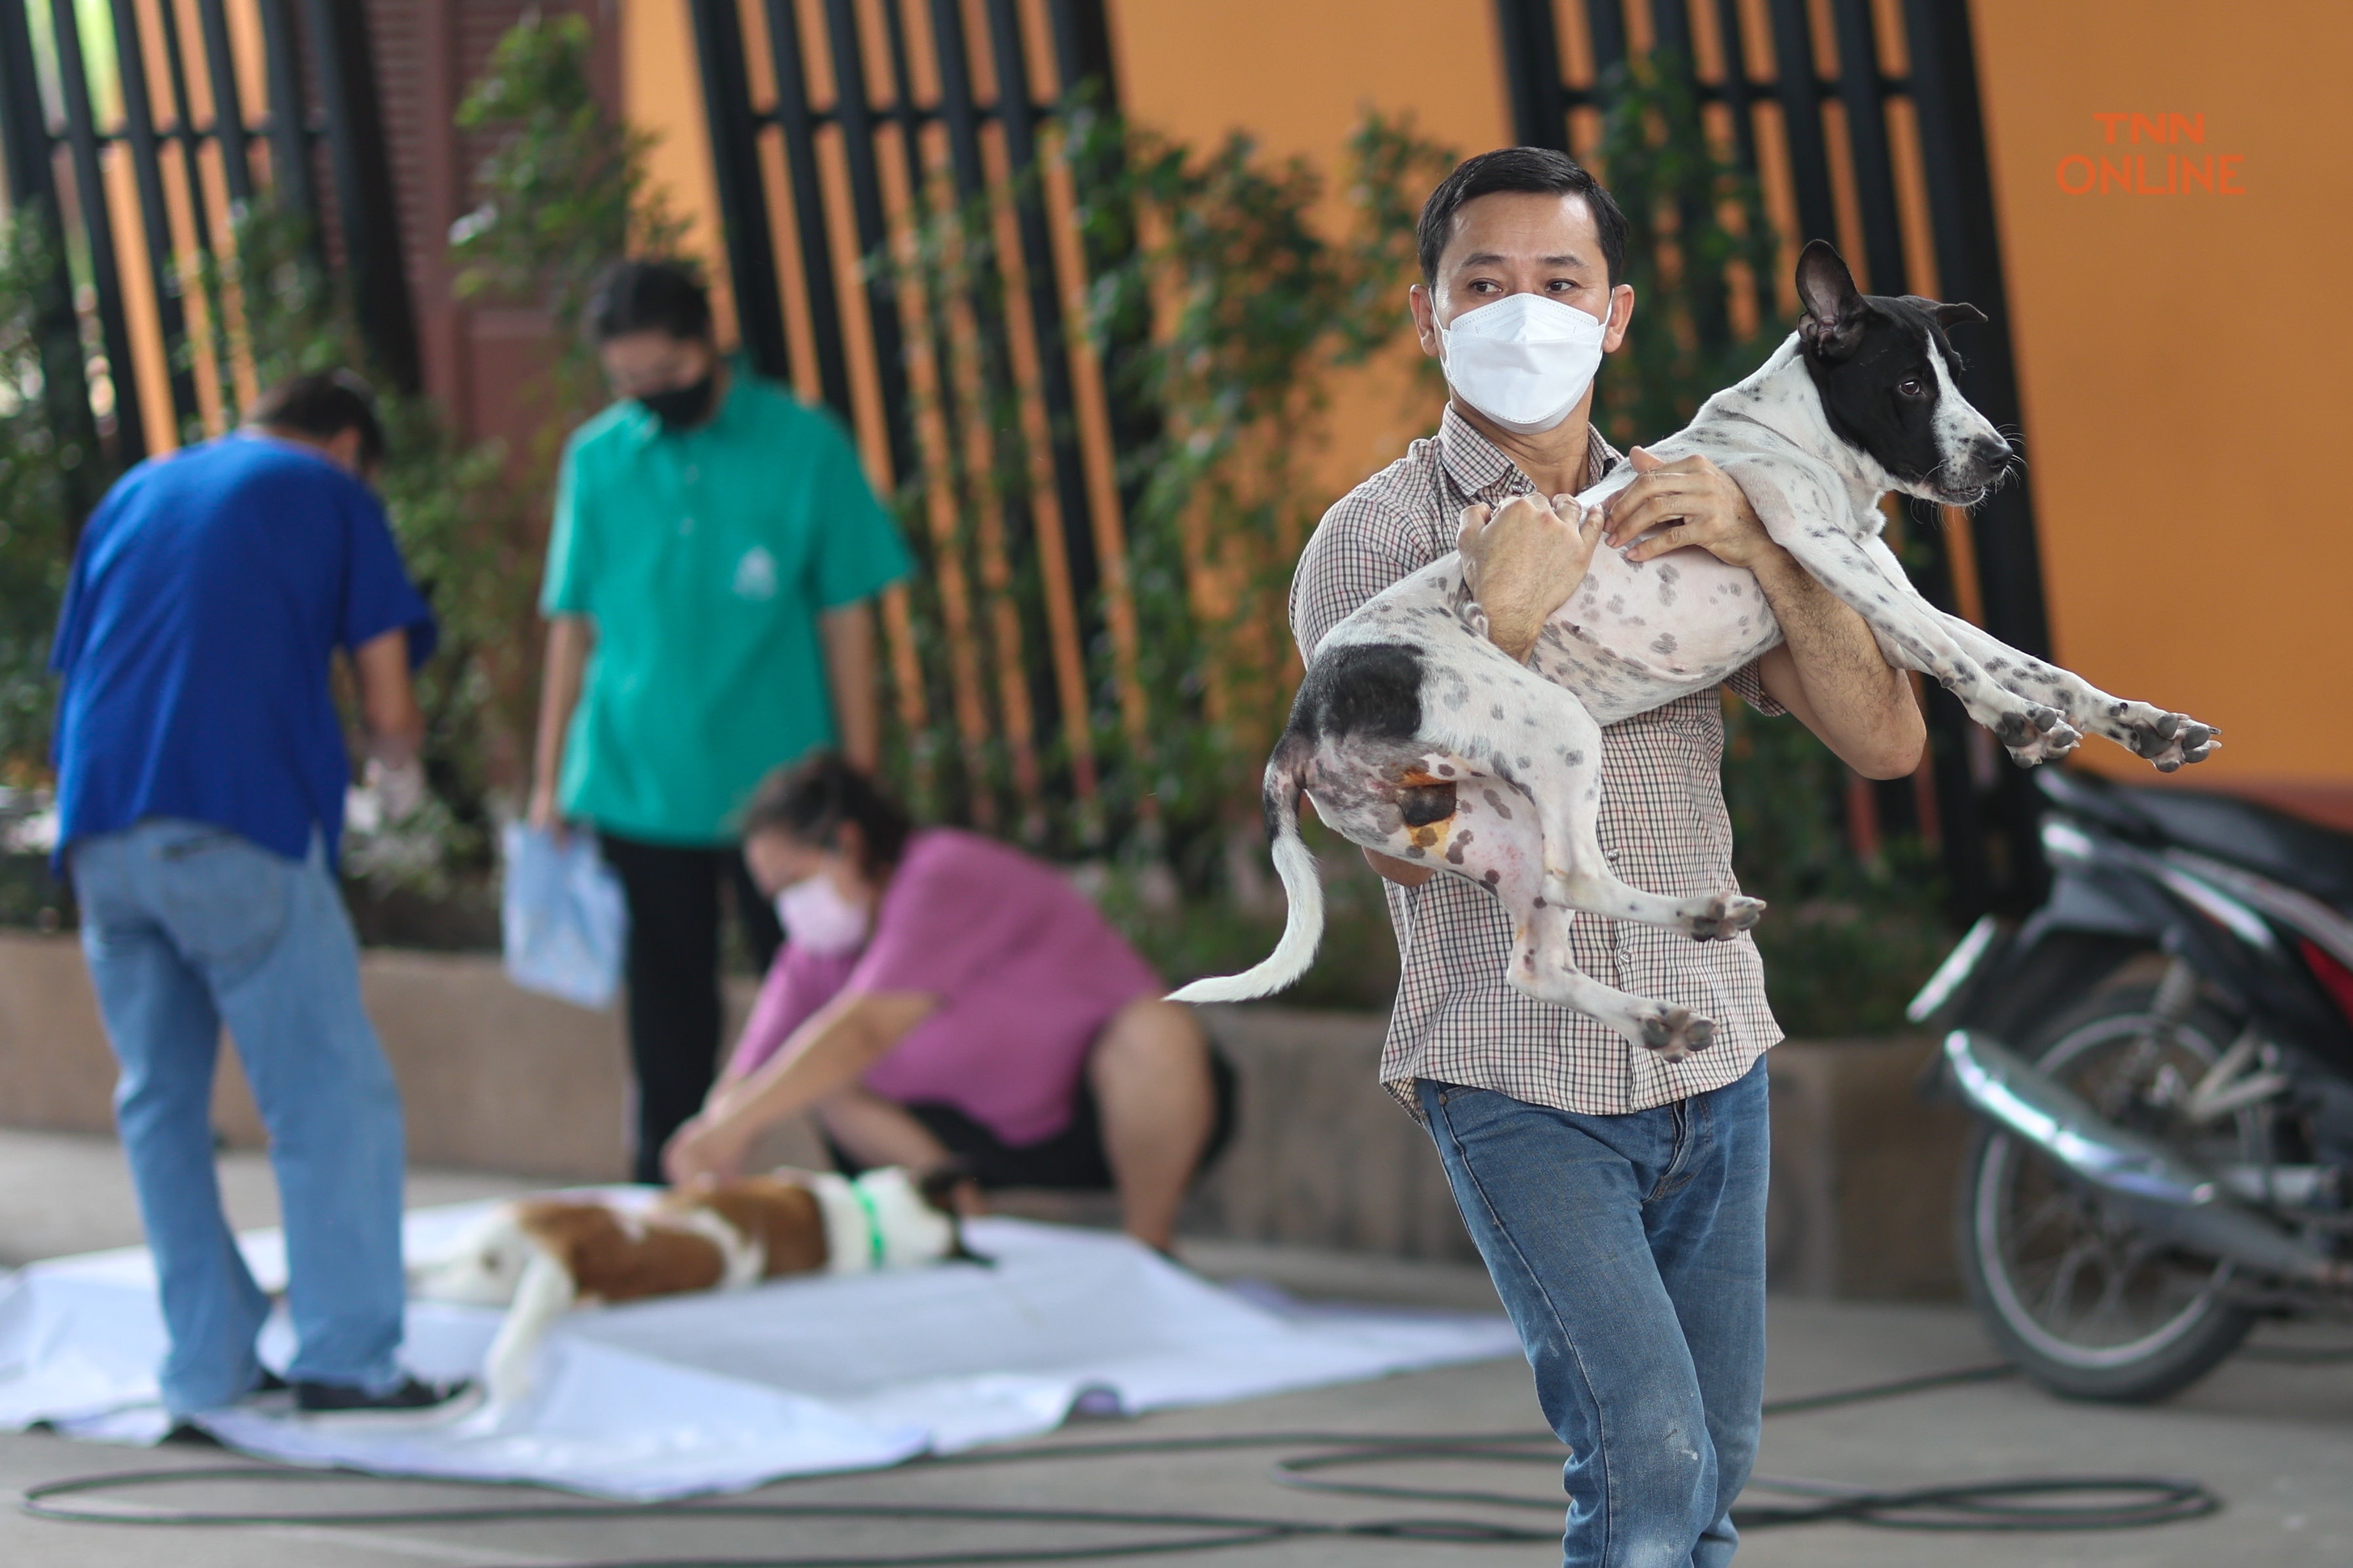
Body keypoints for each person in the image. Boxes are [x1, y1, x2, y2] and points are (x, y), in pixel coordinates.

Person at [1290, 149, 1925, 1566]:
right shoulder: (1368, 544)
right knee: (1641, 1446)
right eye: (1483, 283)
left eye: (1557, 283)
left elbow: (1886, 741)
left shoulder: (1695, 501)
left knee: (1715, 1455)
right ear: (1424, 312)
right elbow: (1389, 844)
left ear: (1614, 314)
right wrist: (1498, 625)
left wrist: (1768, 557)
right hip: (1514, 1065)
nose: (1524, 313)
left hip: (1715, 1058)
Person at [50, 371, 472, 1423]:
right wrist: (399, 781)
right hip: (235, 822)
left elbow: (83, 662)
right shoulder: (330, 491)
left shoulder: (138, 489)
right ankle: (348, 1357)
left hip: (101, 827)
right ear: (345, 445)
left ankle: (207, 1361)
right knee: (326, 1096)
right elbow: (388, 696)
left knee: (159, 1102)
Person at [530, 260, 915, 1183]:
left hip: (781, 789)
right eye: (629, 382)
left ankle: (878, 1191)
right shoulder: (597, 459)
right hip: (637, 776)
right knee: (666, 1012)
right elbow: (572, 626)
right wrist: (549, 778)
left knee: (824, 993)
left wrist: (853, 769)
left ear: (709, 344)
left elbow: (847, 614)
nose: (650, 396)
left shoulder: (803, 442)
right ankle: (666, 1193)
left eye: (666, 373)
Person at [659, 755, 1232, 1254]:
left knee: (1156, 1031)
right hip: (962, 1144)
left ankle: (1150, 1249)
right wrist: (710, 1140)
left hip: (1099, 1112)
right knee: (819, 1079)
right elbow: (747, 1078)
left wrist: (732, 1126)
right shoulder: (812, 954)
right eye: (773, 894)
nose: (788, 906)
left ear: (847, 843)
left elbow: (865, 1029)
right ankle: (964, 1229)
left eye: (794, 880)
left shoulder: (938, 872)